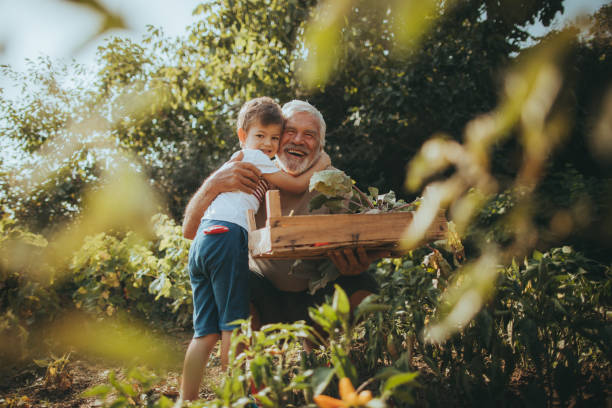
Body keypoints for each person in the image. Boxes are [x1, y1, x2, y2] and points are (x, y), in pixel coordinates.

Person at [182, 100, 387, 338]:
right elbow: (189, 231)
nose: (298, 140)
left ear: (320, 146)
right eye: (290, 132)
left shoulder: (335, 184)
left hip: (315, 293)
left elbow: (377, 235)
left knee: (363, 287)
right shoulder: (250, 176)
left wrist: (359, 263)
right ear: (278, 139)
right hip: (263, 292)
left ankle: (318, 347)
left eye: (309, 134)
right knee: (235, 280)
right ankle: (251, 363)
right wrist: (212, 185)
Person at [180, 97, 330, 401]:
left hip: (203, 243)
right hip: (225, 237)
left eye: (274, 138)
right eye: (261, 136)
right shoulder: (256, 159)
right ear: (242, 135)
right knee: (234, 328)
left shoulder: (237, 160)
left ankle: (186, 399)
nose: (268, 144)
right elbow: (298, 185)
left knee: (203, 333)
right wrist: (324, 163)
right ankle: (239, 398)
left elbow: (191, 232)